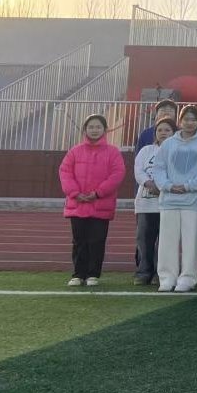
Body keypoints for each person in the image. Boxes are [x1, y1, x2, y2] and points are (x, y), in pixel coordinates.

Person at [153, 106, 197, 293]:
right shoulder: (169, 143)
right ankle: (167, 278)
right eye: (186, 119)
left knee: (191, 241)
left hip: (193, 201)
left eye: (193, 119)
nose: (189, 123)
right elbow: (159, 168)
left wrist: (188, 186)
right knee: (167, 242)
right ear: (180, 121)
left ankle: (187, 278)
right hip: (169, 200)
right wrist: (168, 186)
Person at [60, 114, 126, 287]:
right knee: (79, 241)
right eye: (91, 127)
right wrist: (75, 193)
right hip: (78, 204)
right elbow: (65, 172)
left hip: (101, 204)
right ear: (85, 130)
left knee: (97, 241)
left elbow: (117, 174)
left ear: (105, 130)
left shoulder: (113, 152)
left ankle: (92, 274)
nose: (94, 130)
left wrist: (98, 193)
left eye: (98, 127)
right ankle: (78, 274)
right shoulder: (75, 151)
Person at [133, 117, 173, 285]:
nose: (163, 133)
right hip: (146, 204)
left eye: (167, 130)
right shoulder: (146, 150)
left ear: (174, 133)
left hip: (168, 204)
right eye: (160, 130)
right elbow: (138, 170)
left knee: (165, 241)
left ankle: (160, 273)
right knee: (144, 240)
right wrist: (149, 183)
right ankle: (144, 272)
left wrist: (162, 186)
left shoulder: (176, 151)